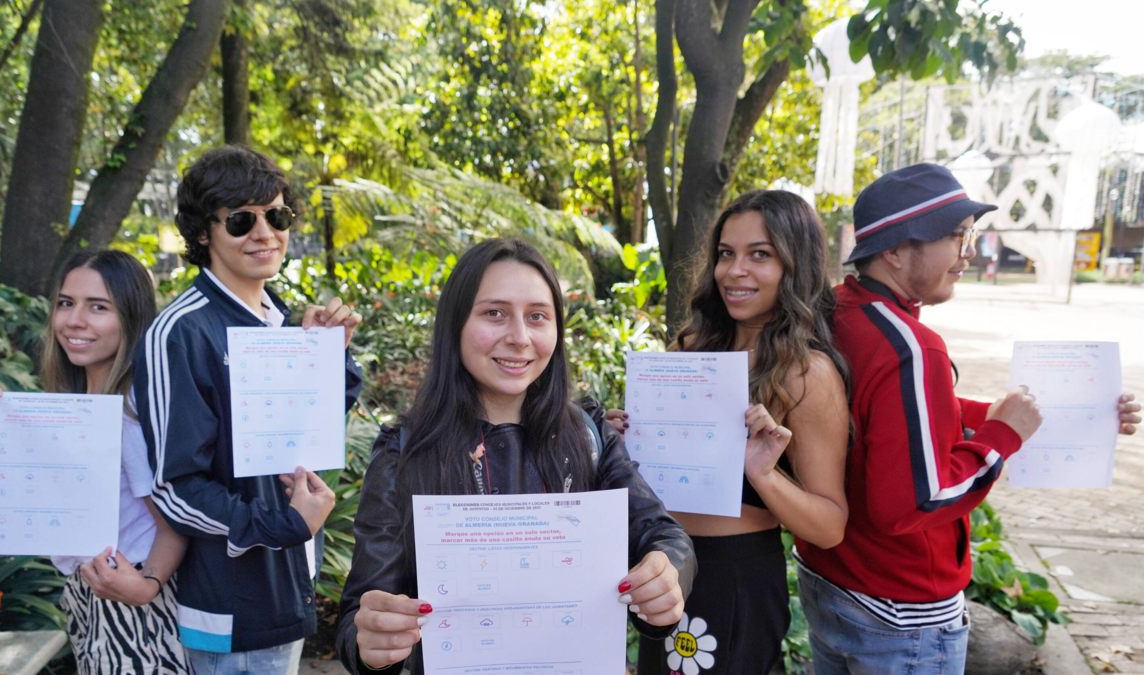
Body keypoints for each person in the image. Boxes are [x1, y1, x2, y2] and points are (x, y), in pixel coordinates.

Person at [796, 163, 1142, 675]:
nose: (970, 252)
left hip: (835, 583)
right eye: (957, 236)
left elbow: (892, 417)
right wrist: (1002, 437)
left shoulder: (836, 311)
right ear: (896, 250)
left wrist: (1060, 418)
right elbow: (917, 500)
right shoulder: (912, 348)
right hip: (902, 612)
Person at [333, 238, 696, 675]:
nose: (520, 338)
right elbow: (358, 617)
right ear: (455, 324)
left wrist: (667, 573)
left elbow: (663, 534)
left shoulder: (588, 436)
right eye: (494, 313)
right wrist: (372, 641)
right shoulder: (404, 452)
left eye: (537, 316)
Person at [134, 145, 363, 674]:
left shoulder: (278, 318)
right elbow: (176, 489)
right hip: (230, 611)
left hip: (287, 588)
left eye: (276, 217)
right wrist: (283, 524)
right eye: (241, 220)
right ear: (202, 233)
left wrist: (330, 354)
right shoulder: (181, 332)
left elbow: (313, 429)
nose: (265, 233)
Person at [614, 191, 851, 675]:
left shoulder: (806, 373)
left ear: (795, 265)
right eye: (726, 253)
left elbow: (830, 526)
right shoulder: (692, 350)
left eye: (759, 254)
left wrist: (764, 474)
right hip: (666, 564)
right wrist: (624, 444)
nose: (734, 271)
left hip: (734, 577)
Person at [0, 249, 190, 674]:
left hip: (131, 599)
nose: (74, 320)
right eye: (66, 303)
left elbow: (172, 520)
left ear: (131, 318)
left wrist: (145, 586)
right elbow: (42, 495)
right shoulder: (79, 403)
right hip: (91, 592)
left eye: (98, 307)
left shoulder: (130, 408)